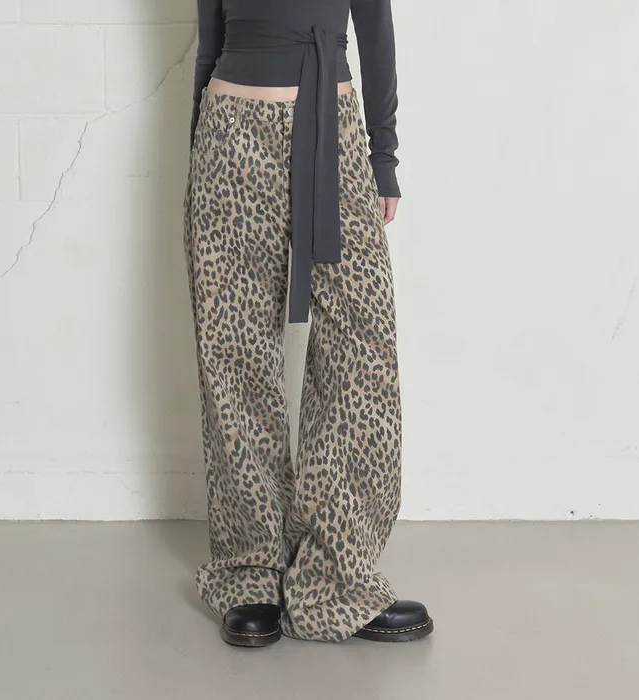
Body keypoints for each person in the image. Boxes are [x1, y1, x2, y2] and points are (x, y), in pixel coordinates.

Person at [183, 0, 434, 647]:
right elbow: (210, 35)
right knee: (233, 351)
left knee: (361, 347)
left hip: (333, 127)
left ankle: (337, 576)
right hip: (230, 132)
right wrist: (199, 147)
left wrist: (383, 154)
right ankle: (250, 572)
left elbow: (374, 26)